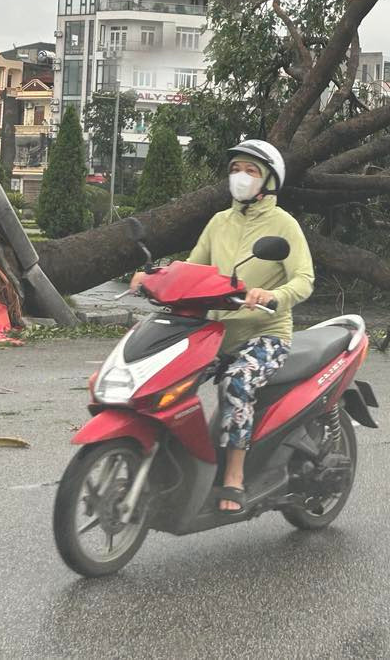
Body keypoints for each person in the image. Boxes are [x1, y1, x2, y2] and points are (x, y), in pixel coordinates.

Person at [130, 139, 314, 514]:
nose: (240, 177)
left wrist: (272, 295)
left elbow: (304, 278)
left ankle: (234, 477)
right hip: (213, 334)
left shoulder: (284, 225)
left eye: (250, 171)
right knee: (163, 376)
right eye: (235, 170)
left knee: (237, 383)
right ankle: (173, 459)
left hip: (265, 334)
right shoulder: (219, 222)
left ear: (268, 181)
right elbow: (193, 269)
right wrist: (153, 277)